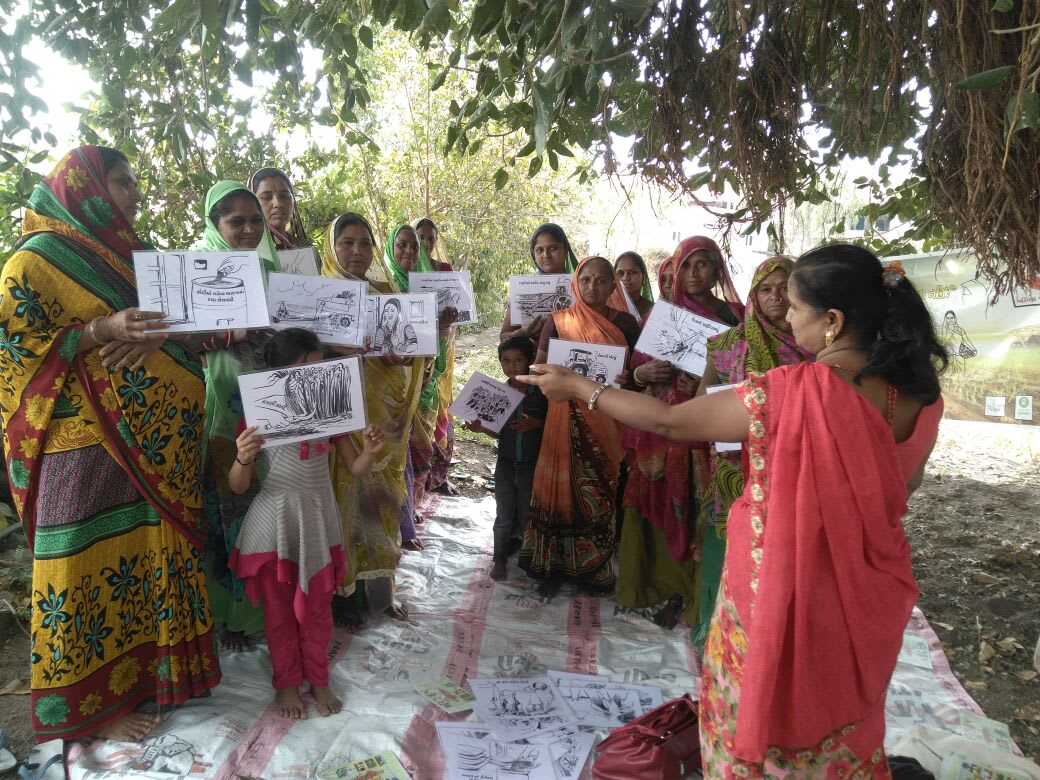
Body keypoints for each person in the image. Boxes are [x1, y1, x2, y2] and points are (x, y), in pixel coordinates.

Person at [518, 243, 947, 777]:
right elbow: (904, 485)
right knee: (841, 710)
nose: (785, 316)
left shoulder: (789, 392)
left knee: (757, 710)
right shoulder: (918, 399)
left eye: (793, 306)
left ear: (831, 321)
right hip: (866, 594)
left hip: (776, 589)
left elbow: (672, 423)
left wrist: (580, 387)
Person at [0, 145, 219, 742]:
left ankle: (152, 680)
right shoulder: (32, 264)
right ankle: (89, 712)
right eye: (122, 183)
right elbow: (16, 354)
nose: (135, 196)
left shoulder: (139, 261)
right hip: (77, 442)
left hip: (152, 445)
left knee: (146, 552)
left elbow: (178, 333)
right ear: (86, 187)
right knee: (81, 559)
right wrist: (101, 330)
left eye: (133, 185)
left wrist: (161, 338)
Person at [229, 328, 385, 720]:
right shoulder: (257, 415)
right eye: (303, 369)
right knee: (278, 614)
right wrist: (243, 458)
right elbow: (238, 485)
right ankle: (285, 684)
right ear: (277, 371)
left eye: (318, 369)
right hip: (273, 523)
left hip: (318, 521)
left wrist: (369, 450)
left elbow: (355, 467)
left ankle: (318, 679)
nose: (313, 379)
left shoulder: (328, 411)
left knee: (317, 610)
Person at [616, 237, 744, 629]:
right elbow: (634, 372)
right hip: (662, 431)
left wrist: (707, 384)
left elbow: (745, 374)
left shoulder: (736, 318)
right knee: (662, 504)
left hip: (710, 434)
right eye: (686, 266)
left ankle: (699, 593)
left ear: (716, 269)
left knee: (703, 506)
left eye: (702, 265)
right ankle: (664, 587)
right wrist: (645, 374)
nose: (693, 274)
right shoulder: (665, 314)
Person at [691, 256, 814, 645]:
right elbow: (700, 403)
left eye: (784, 288)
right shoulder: (726, 346)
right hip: (733, 470)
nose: (775, 297)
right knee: (727, 550)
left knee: (785, 558)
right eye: (766, 289)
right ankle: (719, 636)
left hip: (796, 470)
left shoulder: (815, 346)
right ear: (753, 296)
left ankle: (774, 642)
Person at [518, 256, 640, 596]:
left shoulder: (628, 325)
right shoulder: (557, 322)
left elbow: (635, 372)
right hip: (562, 416)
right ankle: (552, 568)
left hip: (608, 416)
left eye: (601, 280)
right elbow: (538, 368)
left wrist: (629, 377)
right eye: (585, 279)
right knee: (558, 492)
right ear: (575, 282)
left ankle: (596, 567)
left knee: (601, 489)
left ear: (613, 286)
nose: (592, 286)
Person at [321, 213, 422, 624]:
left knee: (380, 498)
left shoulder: (387, 291)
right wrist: (334, 349)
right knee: (342, 494)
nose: (358, 251)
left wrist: (403, 354)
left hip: (383, 418)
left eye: (365, 243)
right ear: (332, 246)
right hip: (341, 412)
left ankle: (380, 594)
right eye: (347, 242)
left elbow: (410, 352)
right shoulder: (321, 293)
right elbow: (298, 356)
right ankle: (343, 598)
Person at [196, 180, 282, 653]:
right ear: (215, 225)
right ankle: (228, 615)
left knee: (265, 504)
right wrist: (222, 335)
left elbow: (294, 333)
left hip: (271, 403)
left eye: (255, 220)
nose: (249, 229)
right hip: (223, 405)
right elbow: (178, 339)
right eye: (236, 221)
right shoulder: (196, 272)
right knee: (227, 504)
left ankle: (261, 608)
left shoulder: (271, 271)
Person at [384, 224, 458, 522]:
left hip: (423, 381)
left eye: (414, 246)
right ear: (390, 248)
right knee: (392, 448)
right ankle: (395, 512)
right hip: (389, 384)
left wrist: (441, 328)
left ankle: (410, 509)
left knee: (420, 446)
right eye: (402, 245)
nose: (410, 251)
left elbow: (434, 345)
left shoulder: (428, 287)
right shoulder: (382, 286)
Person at [463, 336, 548, 581]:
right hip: (506, 463)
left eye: (518, 360)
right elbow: (497, 430)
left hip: (532, 465)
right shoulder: (499, 392)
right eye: (505, 361)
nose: (511, 366)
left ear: (530, 361)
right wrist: (481, 428)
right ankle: (498, 559)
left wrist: (536, 423)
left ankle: (527, 557)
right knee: (503, 514)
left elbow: (554, 427)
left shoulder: (541, 393)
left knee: (527, 513)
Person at [414, 217, 459, 497]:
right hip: (413, 351)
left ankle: (435, 477)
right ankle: (417, 482)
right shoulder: (400, 271)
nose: (425, 244)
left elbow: (458, 306)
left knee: (439, 402)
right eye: (420, 237)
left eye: (431, 238)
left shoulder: (444, 270)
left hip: (440, 346)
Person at [499, 223, 579, 342]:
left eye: (553, 248)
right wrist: (522, 333)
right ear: (533, 254)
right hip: (536, 357)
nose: (546, 255)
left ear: (566, 248)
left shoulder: (583, 285)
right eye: (540, 250)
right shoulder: (524, 288)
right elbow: (504, 336)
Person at [247, 167, 310, 249]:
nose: (278, 204)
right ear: (252, 202)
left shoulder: (305, 246)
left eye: (284, 196)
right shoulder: (245, 250)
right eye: (266, 197)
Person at [612, 251, 655, 318]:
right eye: (620, 273)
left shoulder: (653, 310)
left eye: (633, 272)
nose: (626, 278)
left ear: (644, 277)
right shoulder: (607, 307)